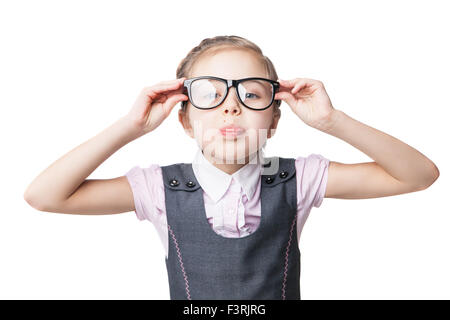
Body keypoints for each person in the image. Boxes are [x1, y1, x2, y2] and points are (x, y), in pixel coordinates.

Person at [23, 35, 440, 300]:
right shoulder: (158, 187)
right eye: (210, 93)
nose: (231, 105)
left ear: (274, 119)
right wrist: (129, 128)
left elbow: (418, 175)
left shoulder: (298, 177)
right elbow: (44, 196)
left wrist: (333, 121)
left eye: (251, 94)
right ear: (184, 119)